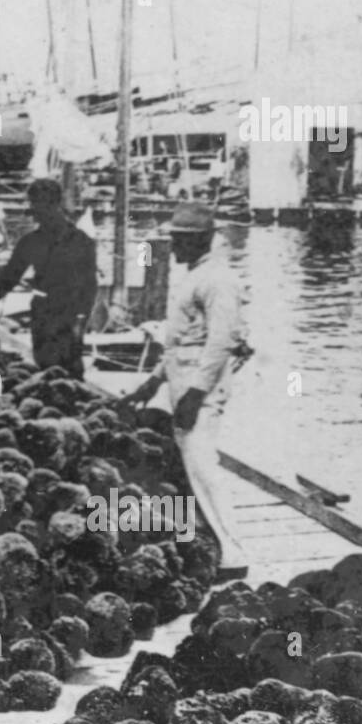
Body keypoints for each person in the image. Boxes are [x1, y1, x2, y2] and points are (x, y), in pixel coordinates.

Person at [125, 201, 248, 578]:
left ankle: (233, 555)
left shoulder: (218, 280)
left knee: (202, 467)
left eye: (181, 240)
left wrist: (196, 394)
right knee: (194, 466)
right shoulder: (195, 275)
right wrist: (152, 383)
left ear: (203, 240)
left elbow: (221, 341)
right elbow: (179, 342)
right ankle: (215, 545)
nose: (174, 247)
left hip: (201, 389)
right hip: (184, 382)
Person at [0, 178, 98, 379]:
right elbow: (6, 280)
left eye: (36, 205)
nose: (33, 212)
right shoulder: (31, 242)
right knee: (46, 369)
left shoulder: (81, 241)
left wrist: (81, 321)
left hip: (69, 317)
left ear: (52, 205)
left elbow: (89, 287)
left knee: (71, 372)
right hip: (43, 315)